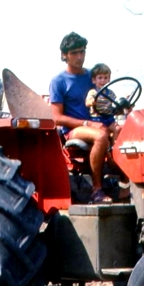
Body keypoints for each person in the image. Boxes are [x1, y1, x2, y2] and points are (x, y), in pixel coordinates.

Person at [49, 32, 122, 204]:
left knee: (125, 132)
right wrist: (88, 123)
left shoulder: (92, 76)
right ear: (64, 55)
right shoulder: (59, 81)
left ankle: (124, 181)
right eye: (74, 53)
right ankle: (97, 190)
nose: (79, 57)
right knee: (101, 136)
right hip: (74, 130)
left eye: (82, 52)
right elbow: (57, 118)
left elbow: (105, 100)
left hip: (98, 122)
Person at [85, 63, 119, 139]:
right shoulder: (93, 92)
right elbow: (87, 103)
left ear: (109, 79)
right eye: (100, 78)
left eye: (105, 78)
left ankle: (114, 148)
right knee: (104, 133)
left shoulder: (111, 93)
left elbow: (116, 103)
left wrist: (123, 103)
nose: (103, 80)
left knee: (117, 128)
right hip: (97, 119)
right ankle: (106, 149)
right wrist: (91, 102)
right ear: (94, 80)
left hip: (109, 118)